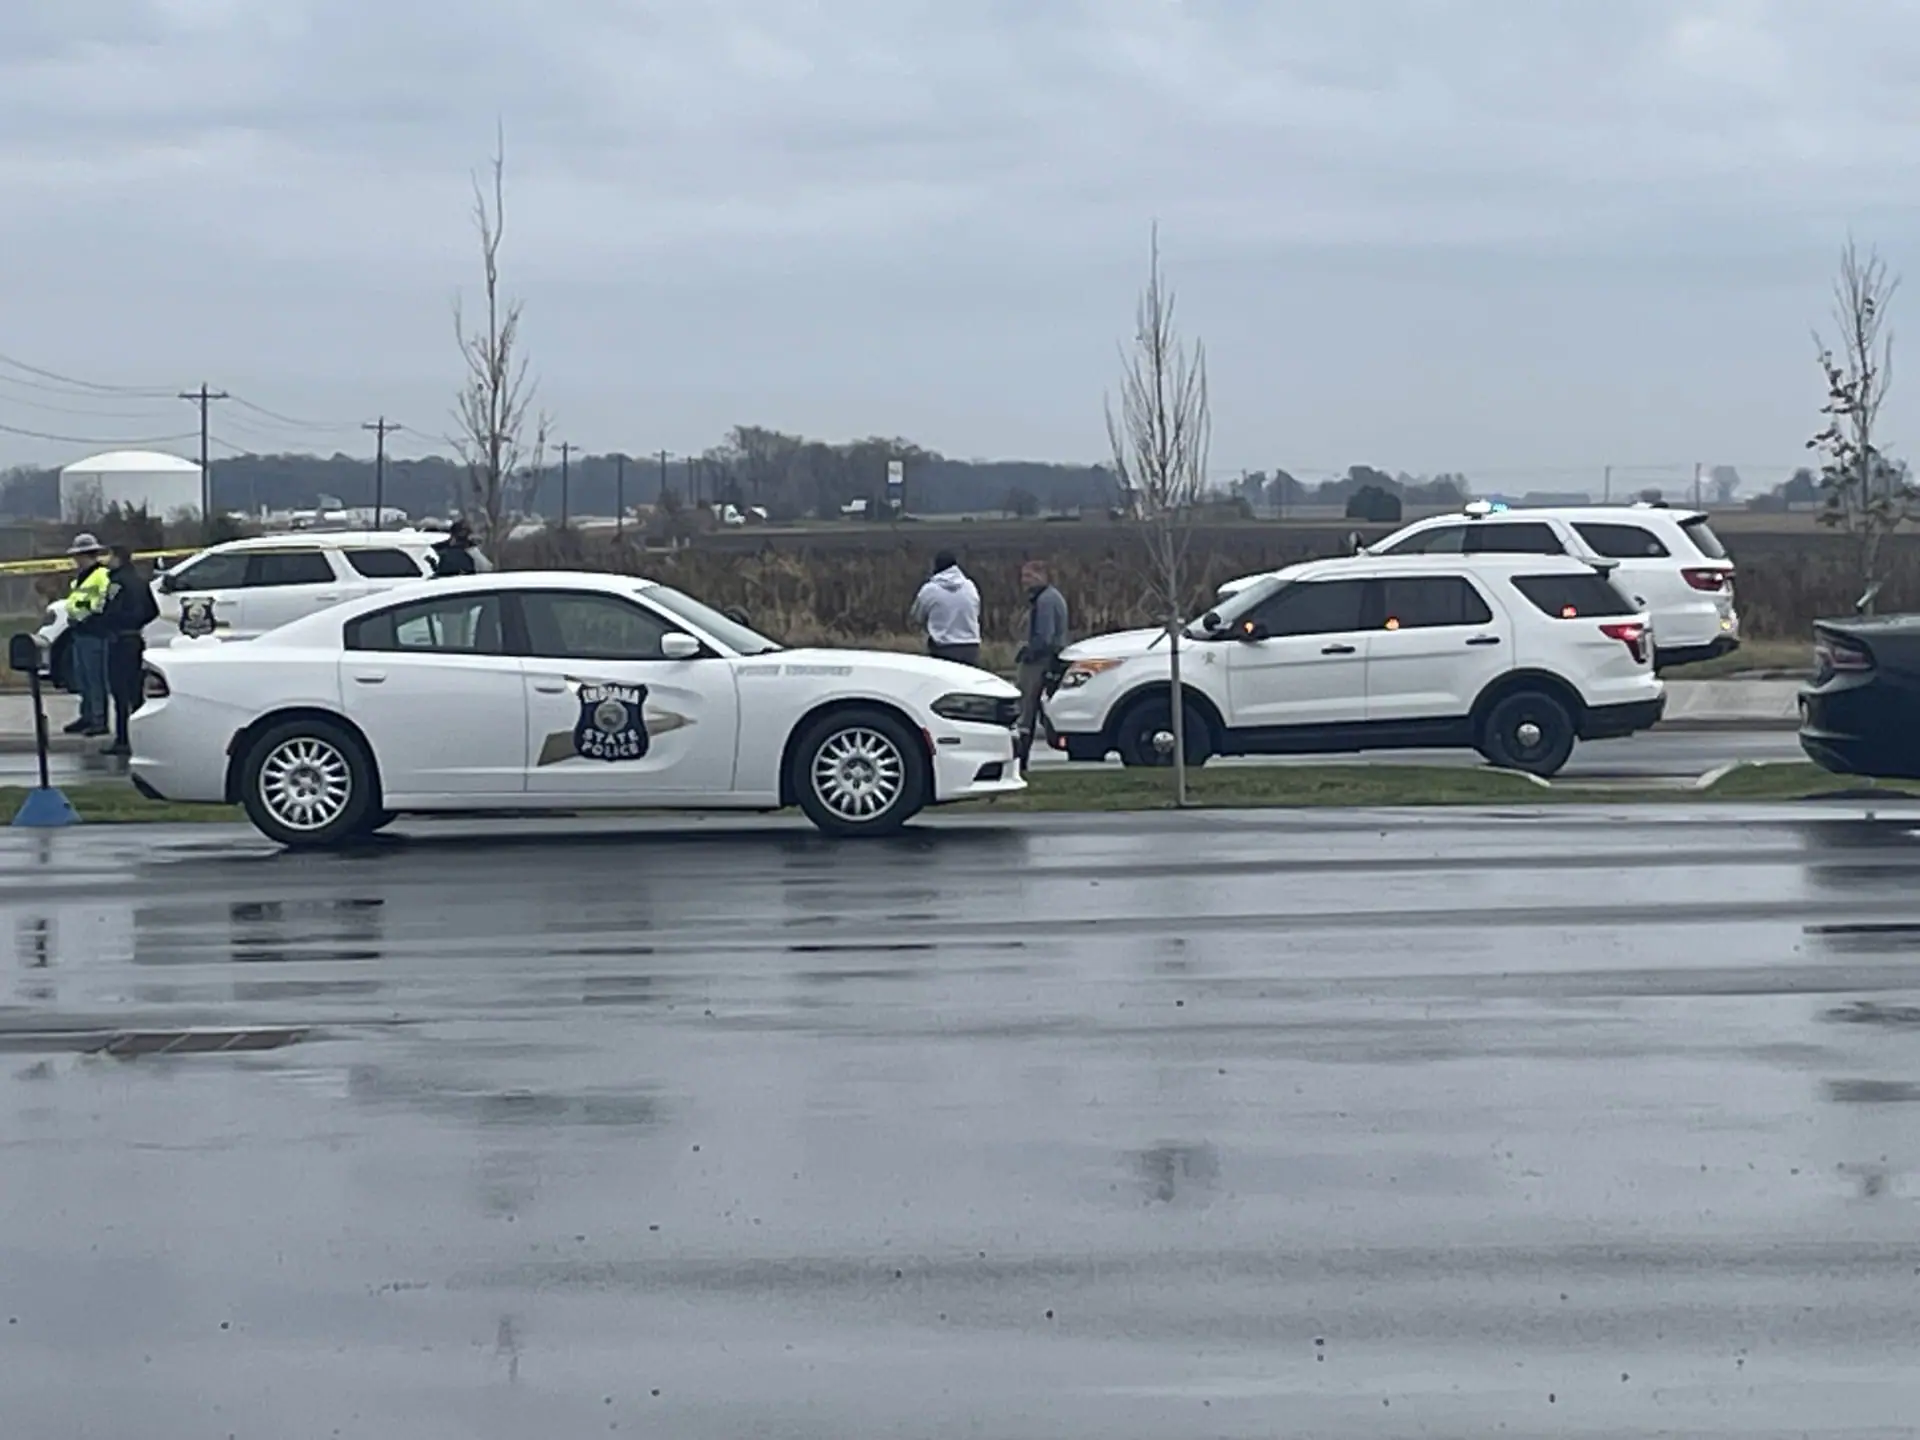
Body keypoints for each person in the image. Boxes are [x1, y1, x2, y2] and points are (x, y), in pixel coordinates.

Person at [98, 543, 160, 756]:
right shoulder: (140, 581)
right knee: (136, 692)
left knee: (119, 692)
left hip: (119, 641)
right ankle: (141, 738)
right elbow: (153, 610)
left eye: (109, 556)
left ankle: (123, 739)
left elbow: (109, 610)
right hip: (136, 640)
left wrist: (108, 623)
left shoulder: (115, 583)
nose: (107, 561)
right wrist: (137, 622)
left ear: (117, 558)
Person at [1014, 560, 1070, 772]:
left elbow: (1044, 637)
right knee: (1038, 709)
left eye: (1028, 576)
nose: (1023, 581)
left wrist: (1029, 652)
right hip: (1046, 658)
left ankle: (1021, 760)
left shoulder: (1045, 601)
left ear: (1041, 576)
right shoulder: (1049, 597)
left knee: (1025, 710)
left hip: (1040, 662)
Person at [61, 534, 112, 738]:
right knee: (82, 678)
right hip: (80, 632)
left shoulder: (101, 575)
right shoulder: (83, 576)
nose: (75, 561)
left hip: (94, 632)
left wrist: (80, 614)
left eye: (78, 556)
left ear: (85, 555)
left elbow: (98, 603)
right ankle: (87, 716)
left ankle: (99, 720)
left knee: (95, 679)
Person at [910, 550, 982, 666]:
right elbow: (976, 611)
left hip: (943, 648)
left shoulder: (929, 590)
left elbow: (917, 617)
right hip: (971, 648)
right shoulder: (970, 586)